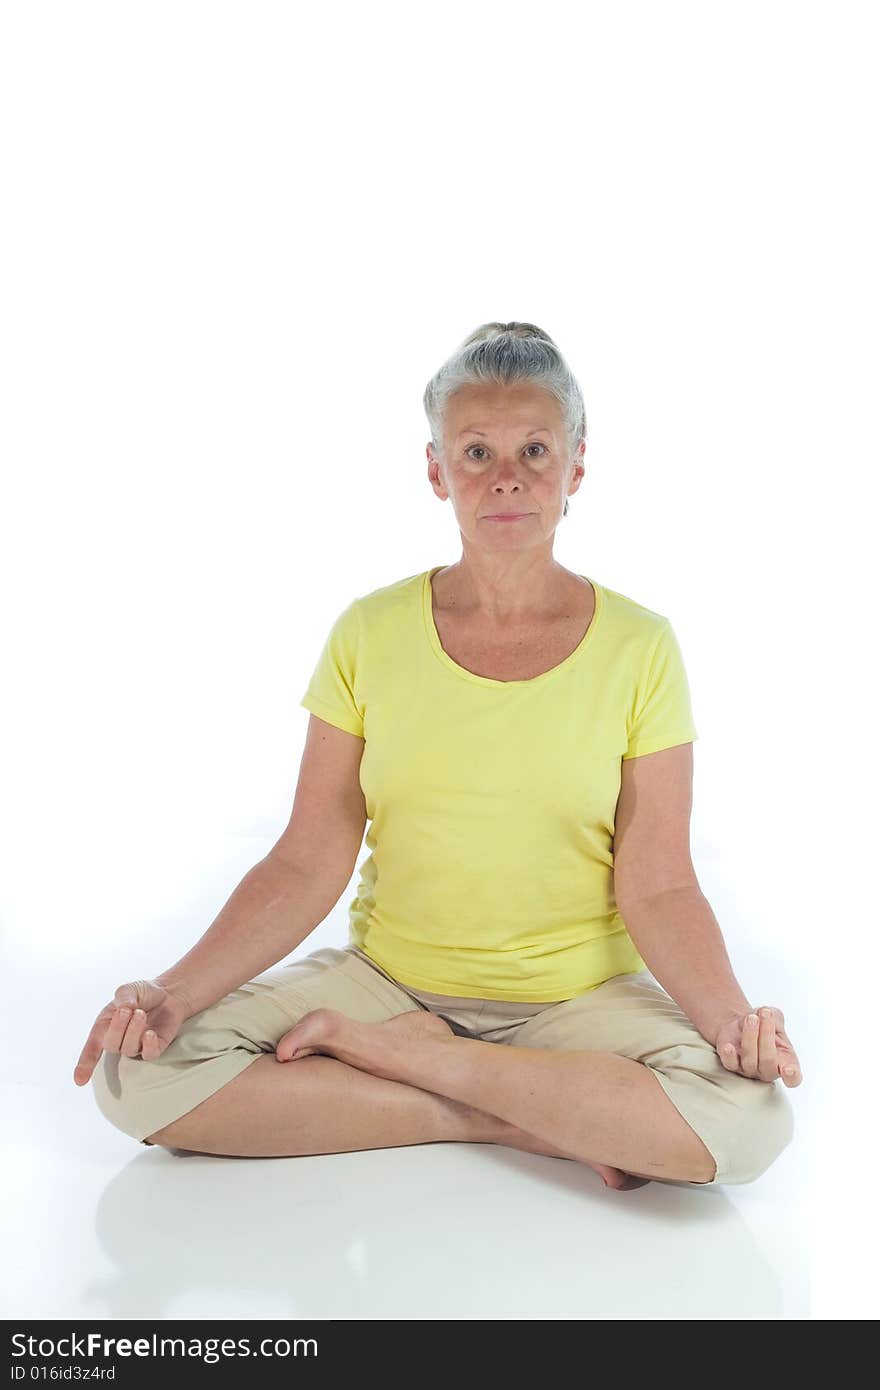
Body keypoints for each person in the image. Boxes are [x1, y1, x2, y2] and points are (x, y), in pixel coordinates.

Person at [74, 321, 801, 1190]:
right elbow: (308, 858)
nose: (507, 476)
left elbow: (660, 882)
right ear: (436, 471)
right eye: (477, 451)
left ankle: (422, 1069)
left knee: (749, 1122)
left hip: (579, 1004)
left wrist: (730, 1024)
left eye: (535, 450)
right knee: (139, 1076)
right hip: (389, 988)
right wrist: (175, 992)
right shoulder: (369, 634)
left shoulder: (641, 647)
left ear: (576, 469)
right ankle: (518, 1115)